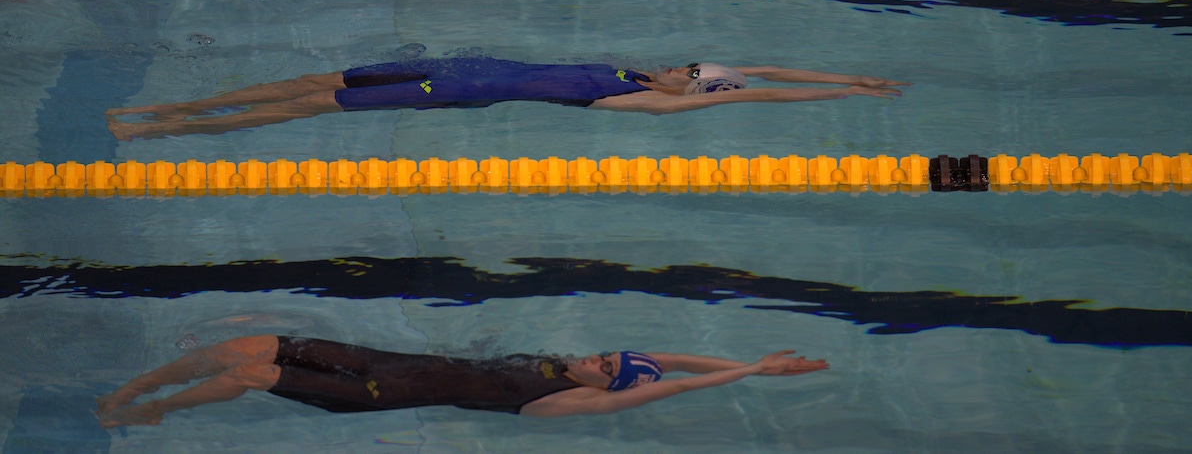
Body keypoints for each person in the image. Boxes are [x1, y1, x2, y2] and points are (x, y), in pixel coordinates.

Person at [96, 334, 830, 427]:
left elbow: (666, 382)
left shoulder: (557, 398)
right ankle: (134, 388)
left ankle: (151, 411)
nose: (596, 357)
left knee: (254, 371)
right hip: (379, 358)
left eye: (606, 366)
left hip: (378, 391)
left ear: (604, 389)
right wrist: (749, 355)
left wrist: (755, 375)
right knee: (244, 343)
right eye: (607, 352)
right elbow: (670, 359)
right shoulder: (577, 367)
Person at [105, 57, 908, 139]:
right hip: (451, 63)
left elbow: (759, 96)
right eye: (685, 66)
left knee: (306, 108)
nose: (677, 70)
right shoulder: (644, 70)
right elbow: (769, 66)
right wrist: (849, 74)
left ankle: (162, 133)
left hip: (443, 93)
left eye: (688, 77)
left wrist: (835, 97)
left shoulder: (645, 103)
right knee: (305, 83)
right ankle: (179, 106)